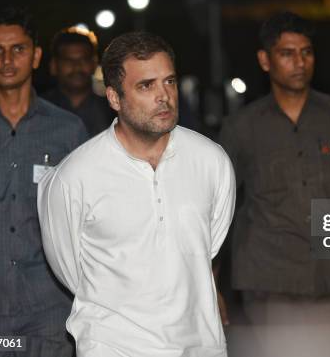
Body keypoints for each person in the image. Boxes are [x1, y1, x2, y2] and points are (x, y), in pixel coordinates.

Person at [38, 32, 236, 357]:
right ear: (114, 98)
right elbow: (68, 268)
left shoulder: (211, 161)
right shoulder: (75, 176)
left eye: (169, 82)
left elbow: (208, 247)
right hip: (112, 346)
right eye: (146, 86)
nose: (164, 96)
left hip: (198, 345)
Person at [218, 11, 330, 357]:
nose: (299, 62)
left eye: (307, 52)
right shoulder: (241, 128)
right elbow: (217, 206)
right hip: (268, 277)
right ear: (265, 60)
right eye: (287, 53)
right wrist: (210, 279)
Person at [0, 7, 88, 357]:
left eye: (18, 49)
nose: (7, 59)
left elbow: (87, 219)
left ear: (36, 56)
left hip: (50, 309)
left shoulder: (68, 130)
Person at [44, 29, 114, 136]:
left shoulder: (113, 110)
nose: (77, 67)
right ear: (54, 66)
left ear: (94, 63)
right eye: (68, 60)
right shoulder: (37, 110)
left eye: (83, 60)